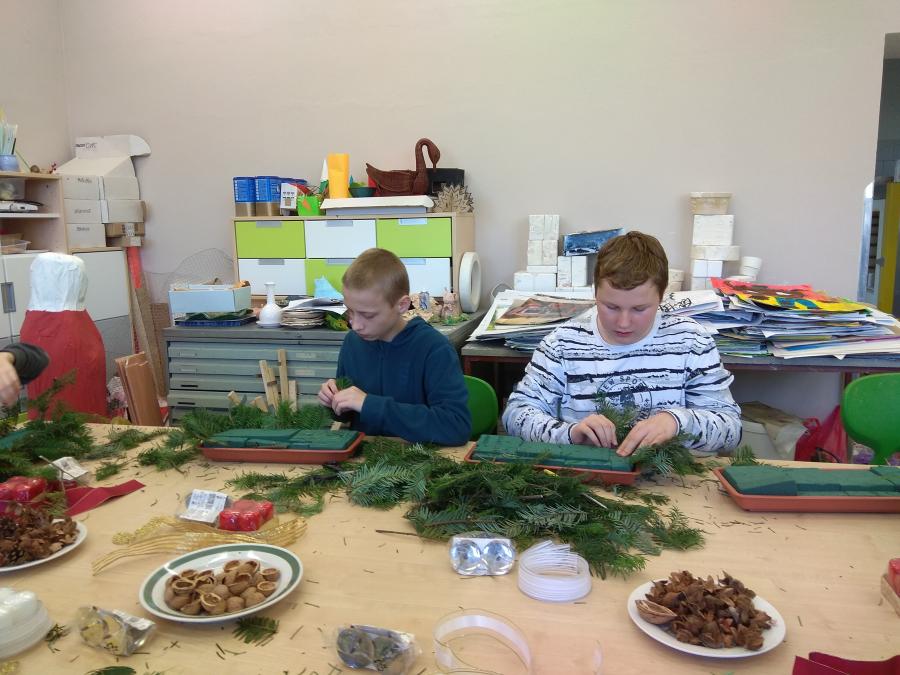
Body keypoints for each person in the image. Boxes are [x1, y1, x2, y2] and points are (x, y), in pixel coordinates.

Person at [502, 231, 741, 457]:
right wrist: (570, 434)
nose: (624, 322)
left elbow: (731, 430)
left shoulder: (692, 342)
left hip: (671, 478)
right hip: (587, 474)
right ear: (595, 293)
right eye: (611, 307)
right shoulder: (563, 343)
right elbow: (516, 415)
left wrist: (677, 423)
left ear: (661, 296)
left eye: (639, 309)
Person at [317, 248, 471, 446]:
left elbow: (455, 427)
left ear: (402, 305)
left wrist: (369, 404)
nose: (355, 325)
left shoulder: (434, 349)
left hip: (418, 459)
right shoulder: (352, 343)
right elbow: (347, 416)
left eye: (368, 315)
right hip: (365, 459)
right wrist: (334, 401)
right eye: (350, 312)